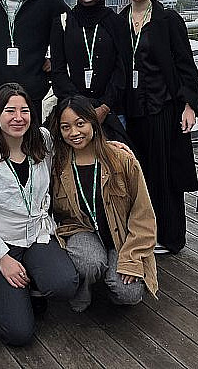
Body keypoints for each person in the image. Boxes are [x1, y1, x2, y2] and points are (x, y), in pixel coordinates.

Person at [0, 83, 77, 346]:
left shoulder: (42, 142)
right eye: (9, 111)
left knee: (64, 283)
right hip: (0, 243)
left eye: (24, 110)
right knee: (18, 334)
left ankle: (30, 286)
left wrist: (116, 148)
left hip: (37, 234)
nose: (18, 117)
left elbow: (78, 140)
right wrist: (2, 259)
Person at [119, 0, 198, 255]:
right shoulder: (121, 20)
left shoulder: (168, 21)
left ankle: (171, 237)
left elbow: (185, 65)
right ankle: (144, 234)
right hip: (133, 109)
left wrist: (190, 104)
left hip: (163, 108)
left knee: (165, 175)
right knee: (139, 175)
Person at [49, 95, 158, 312]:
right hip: (81, 231)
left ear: (93, 122)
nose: (74, 133)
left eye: (80, 124)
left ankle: (112, 270)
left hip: (122, 236)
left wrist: (131, 258)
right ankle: (85, 287)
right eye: (65, 127)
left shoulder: (121, 159)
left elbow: (143, 214)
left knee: (129, 294)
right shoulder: (57, 164)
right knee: (89, 263)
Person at [50, 0, 130, 144]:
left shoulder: (116, 22)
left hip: (111, 112)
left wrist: (104, 107)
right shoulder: (63, 23)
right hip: (73, 114)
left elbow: (122, 69)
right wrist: (80, 107)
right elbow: (58, 70)